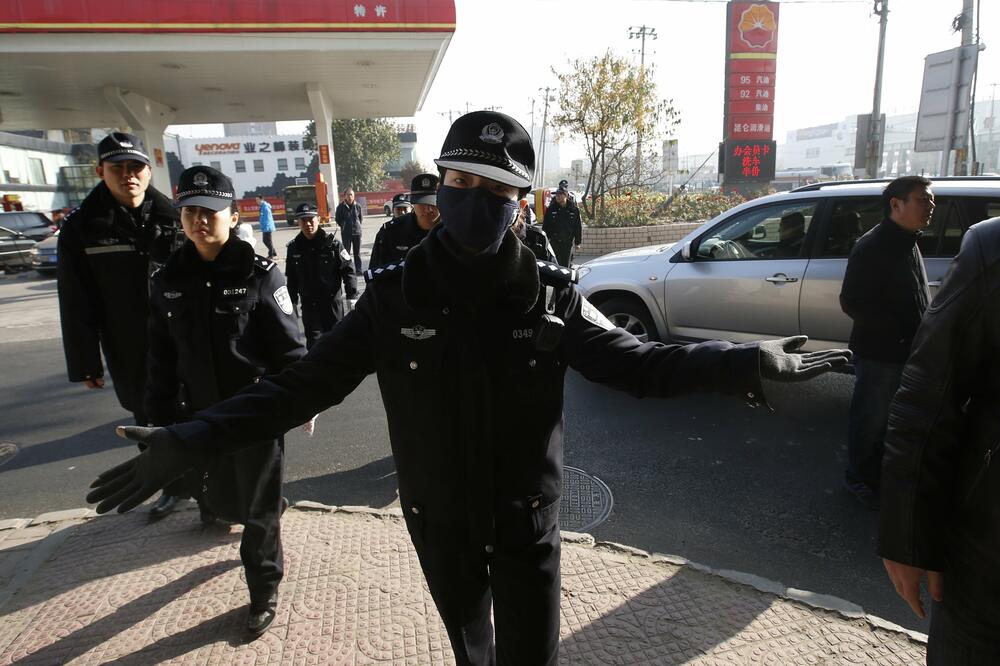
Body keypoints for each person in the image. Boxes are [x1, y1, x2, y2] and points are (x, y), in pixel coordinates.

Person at [88, 111, 851, 666]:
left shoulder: (551, 294)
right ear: (438, 189)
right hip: (439, 517)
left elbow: (635, 361)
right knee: (470, 649)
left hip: (526, 518)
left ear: (522, 200)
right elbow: (300, 386)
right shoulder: (391, 297)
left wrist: (739, 364)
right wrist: (189, 438)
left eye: (494, 188)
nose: (471, 199)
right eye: (457, 182)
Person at [145, 166, 306, 636]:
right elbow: (160, 355)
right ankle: (224, 506)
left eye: (210, 212)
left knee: (257, 511)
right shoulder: (168, 279)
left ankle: (263, 589)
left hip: (253, 413)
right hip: (197, 417)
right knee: (218, 495)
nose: (199, 220)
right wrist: (157, 418)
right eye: (190, 211)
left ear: (234, 216)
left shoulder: (260, 275)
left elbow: (292, 351)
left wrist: (298, 405)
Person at [879, 214, 1000, 663]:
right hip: (987, 560)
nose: (929, 209)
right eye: (921, 200)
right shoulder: (992, 247)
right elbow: (925, 402)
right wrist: (906, 540)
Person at [57, 131, 185, 519]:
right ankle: (170, 485)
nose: (128, 175)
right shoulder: (83, 228)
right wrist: (85, 363)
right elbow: (76, 301)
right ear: (100, 171)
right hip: (128, 344)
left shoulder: (175, 217)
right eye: (118, 168)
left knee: (194, 409)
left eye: (136, 167)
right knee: (147, 417)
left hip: (182, 338)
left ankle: (207, 486)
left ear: (148, 172)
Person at [839, 176, 934, 509]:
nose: (930, 205)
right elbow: (852, 301)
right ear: (896, 204)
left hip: (907, 351)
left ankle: (879, 474)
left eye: (930, 199)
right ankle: (859, 478)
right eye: (923, 199)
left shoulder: (908, 240)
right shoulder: (873, 246)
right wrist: (897, 335)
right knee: (870, 419)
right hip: (881, 353)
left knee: (892, 420)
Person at [285, 202, 358, 350]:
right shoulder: (294, 248)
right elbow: (292, 279)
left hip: (332, 304)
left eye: (311, 220)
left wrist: (352, 295)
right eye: (303, 221)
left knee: (337, 341)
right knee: (314, 344)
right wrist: (290, 305)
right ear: (298, 222)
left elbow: (348, 270)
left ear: (318, 219)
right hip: (309, 306)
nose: (308, 224)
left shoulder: (333, 245)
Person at [369, 174, 439, 269]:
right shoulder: (390, 233)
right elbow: (375, 275)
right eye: (422, 203)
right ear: (413, 203)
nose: (428, 209)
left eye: (433, 203)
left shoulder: (454, 231)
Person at [542, 183, 582, 267]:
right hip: (554, 242)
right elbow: (546, 226)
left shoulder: (574, 210)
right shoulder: (551, 209)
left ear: (566, 195)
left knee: (565, 265)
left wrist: (578, 242)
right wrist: (544, 241)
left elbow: (577, 227)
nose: (557, 196)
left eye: (560, 194)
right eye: (556, 194)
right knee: (554, 265)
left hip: (567, 243)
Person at [334, 188, 364, 274]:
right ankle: (348, 270)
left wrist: (356, 226)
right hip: (346, 233)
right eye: (348, 195)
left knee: (357, 253)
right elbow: (338, 219)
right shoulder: (340, 207)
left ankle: (358, 270)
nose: (350, 196)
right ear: (345, 196)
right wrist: (344, 226)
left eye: (351, 195)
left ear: (354, 196)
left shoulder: (357, 206)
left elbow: (360, 219)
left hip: (357, 233)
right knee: (346, 253)